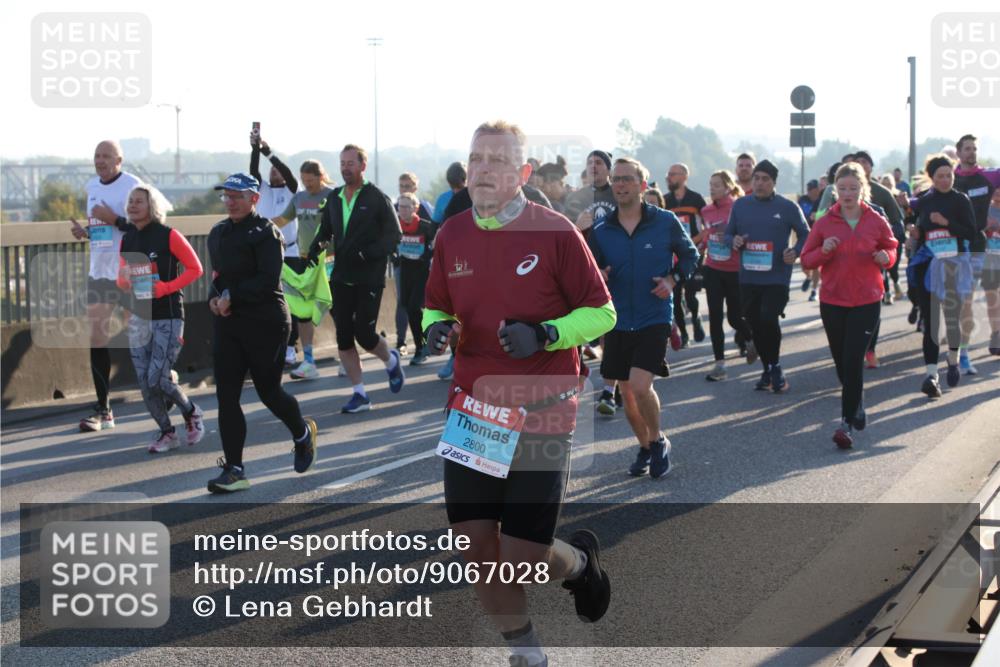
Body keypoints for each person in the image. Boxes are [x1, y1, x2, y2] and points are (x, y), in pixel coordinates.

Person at [423, 121, 617, 667]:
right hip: (475, 408)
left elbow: (603, 312)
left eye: (498, 161)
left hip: (541, 409)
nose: (484, 170)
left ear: (523, 173)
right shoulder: (452, 233)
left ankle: (578, 564)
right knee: (476, 551)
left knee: (523, 558)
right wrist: (438, 325)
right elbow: (435, 301)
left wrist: (548, 333)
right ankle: (528, 655)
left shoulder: (555, 232)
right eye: (477, 159)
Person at [206, 173, 317, 493]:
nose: (230, 201)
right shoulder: (218, 233)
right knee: (226, 395)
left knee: (269, 392)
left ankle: (302, 434)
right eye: (226, 196)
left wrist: (232, 297)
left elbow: (268, 280)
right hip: (230, 322)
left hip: (266, 321)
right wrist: (216, 298)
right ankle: (235, 469)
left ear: (254, 199)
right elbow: (218, 276)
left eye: (237, 196)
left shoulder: (266, 232)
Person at [588, 158, 698, 477]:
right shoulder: (602, 229)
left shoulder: (665, 221)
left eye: (627, 179)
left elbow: (691, 255)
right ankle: (647, 446)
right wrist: (600, 274)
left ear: (643, 185)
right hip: (616, 319)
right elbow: (589, 269)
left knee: (639, 385)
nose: (620, 184)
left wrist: (672, 280)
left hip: (653, 316)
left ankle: (659, 439)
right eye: (616, 179)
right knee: (628, 394)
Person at [801, 163, 898, 448]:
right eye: (842, 188)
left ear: (862, 189)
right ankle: (856, 403)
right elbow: (806, 260)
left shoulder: (875, 219)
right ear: (834, 191)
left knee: (854, 359)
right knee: (842, 362)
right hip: (833, 300)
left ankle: (845, 424)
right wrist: (824, 250)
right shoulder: (825, 222)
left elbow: (892, 247)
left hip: (867, 299)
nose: (847, 193)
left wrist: (886, 257)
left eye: (853, 188)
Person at [308, 144, 405, 414]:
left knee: (364, 333)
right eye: (342, 163)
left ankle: (390, 360)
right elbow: (325, 231)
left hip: (369, 277)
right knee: (343, 337)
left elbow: (393, 236)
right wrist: (312, 252)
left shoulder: (377, 198)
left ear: (362, 166)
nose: (345, 167)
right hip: (340, 277)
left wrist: (367, 254)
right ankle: (360, 394)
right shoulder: (336, 198)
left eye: (350, 163)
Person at [116, 184, 206, 452]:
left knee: (158, 377)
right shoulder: (127, 239)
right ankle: (167, 432)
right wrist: (124, 279)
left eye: (139, 202)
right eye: (130, 201)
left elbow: (196, 269)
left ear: (152, 207)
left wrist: (167, 287)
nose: (132, 205)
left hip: (168, 314)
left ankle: (191, 412)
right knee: (145, 381)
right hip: (139, 316)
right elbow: (122, 280)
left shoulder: (169, 235)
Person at [70, 140, 142, 431]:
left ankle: (165, 383)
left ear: (119, 160)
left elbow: (145, 225)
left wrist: (113, 218)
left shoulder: (133, 185)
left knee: (143, 334)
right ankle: (104, 410)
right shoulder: (92, 186)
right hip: (100, 272)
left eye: (106, 156)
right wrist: (86, 231)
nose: (100, 160)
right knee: (97, 338)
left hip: (131, 271)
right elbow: (103, 230)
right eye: (97, 155)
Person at [725, 159, 810, 393]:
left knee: (768, 319)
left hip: (776, 276)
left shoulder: (787, 207)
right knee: (755, 323)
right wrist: (734, 241)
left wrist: (795, 252)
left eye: (765, 179)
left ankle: (775, 367)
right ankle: (768, 369)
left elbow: (805, 234)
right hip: (749, 277)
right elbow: (728, 234)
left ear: (774, 183)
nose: (760, 183)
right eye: (757, 178)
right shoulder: (741, 205)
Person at [907, 155, 978, 398]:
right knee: (931, 324)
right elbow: (918, 227)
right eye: (941, 176)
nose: (946, 179)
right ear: (932, 178)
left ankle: (953, 360)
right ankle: (931, 375)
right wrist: (917, 231)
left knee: (951, 319)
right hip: (929, 265)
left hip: (954, 265)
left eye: (949, 175)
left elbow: (972, 233)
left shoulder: (960, 200)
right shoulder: (924, 202)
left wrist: (946, 222)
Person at [272, 160, 335, 380]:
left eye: (311, 180)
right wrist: (259, 227)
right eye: (304, 181)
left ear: (321, 177)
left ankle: (348, 353)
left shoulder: (332, 196)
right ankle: (309, 362)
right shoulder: (299, 198)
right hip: (304, 260)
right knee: (305, 313)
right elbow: (281, 219)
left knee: (337, 309)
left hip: (329, 260)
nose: (307, 184)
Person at [249, 135, 300, 366]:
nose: (274, 173)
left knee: (291, 301)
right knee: (266, 301)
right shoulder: (262, 190)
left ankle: (291, 345)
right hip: (265, 253)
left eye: (276, 170)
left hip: (290, 252)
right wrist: (254, 150)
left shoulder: (293, 190)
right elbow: (253, 172)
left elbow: (287, 174)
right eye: (271, 171)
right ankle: (268, 346)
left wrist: (268, 152)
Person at [953, 133, 1000, 373]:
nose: (972, 152)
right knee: (966, 303)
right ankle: (963, 353)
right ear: (958, 152)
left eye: (974, 148)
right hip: (960, 246)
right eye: (967, 149)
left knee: (993, 294)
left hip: (982, 243)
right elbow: (927, 199)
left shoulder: (989, 175)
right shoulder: (950, 179)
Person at [702, 170, 751, 380]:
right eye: (711, 184)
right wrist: (705, 243)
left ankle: (750, 338)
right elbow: (707, 235)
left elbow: (749, 235)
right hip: (712, 267)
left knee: (733, 316)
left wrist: (734, 238)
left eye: (717, 185)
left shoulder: (739, 207)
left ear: (728, 187)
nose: (712, 188)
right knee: (714, 316)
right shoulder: (706, 210)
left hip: (734, 269)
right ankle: (719, 364)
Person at [664, 163, 708, 347]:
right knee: (674, 294)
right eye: (668, 174)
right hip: (673, 255)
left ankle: (696, 318)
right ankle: (683, 334)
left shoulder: (696, 199)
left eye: (673, 174)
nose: (669, 177)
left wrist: (696, 244)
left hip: (693, 253)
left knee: (690, 295)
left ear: (684, 176)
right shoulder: (665, 200)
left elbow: (707, 227)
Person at [394, 172, 435, 354]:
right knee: (407, 307)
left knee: (415, 306)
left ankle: (422, 345)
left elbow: (436, 244)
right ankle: (419, 344)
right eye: (400, 207)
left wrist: (426, 254)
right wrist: (393, 255)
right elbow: (387, 243)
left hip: (422, 272)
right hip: (404, 271)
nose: (402, 210)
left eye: (406, 207)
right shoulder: (395, 227)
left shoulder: (425, 226)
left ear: (415, 208)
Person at [563, 150, 616, 232]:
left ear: (609, 170)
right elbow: (566, 232)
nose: (593, 166)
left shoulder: (619, 194)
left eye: (598, 163)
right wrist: (577, 227)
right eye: (589, 163)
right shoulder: (576, 197)